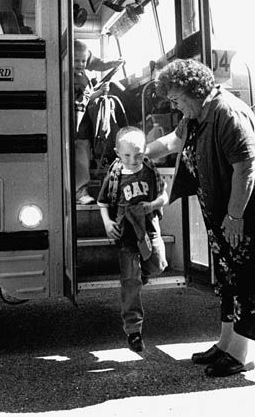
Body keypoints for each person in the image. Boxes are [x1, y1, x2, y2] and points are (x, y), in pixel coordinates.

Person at [145, 58, 255, 376]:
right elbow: (174, 141)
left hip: (249, 212)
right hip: (225, 211)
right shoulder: (198, 113)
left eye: (175, 98)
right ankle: (225, 344)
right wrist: (141, 152)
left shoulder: (228, 112)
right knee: (229, 280)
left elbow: (245, 167)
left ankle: (240, 355)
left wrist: (235, 216)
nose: (174, 105)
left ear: (193, 91)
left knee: (246, 281)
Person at [97, 126, 168, 352]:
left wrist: (152, 205)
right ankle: (134, 331)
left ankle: (140, 277)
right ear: (118, 152)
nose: (133, 160)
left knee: (158, 265)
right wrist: (108, 223)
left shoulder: (149, 170)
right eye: (127, 155)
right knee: (130, 281)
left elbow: (163, 196)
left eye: (138, 154)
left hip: (149, 229)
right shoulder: (115, 175)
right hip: (126, 232)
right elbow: (102, 202)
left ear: (145, 150)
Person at [74, 39, 124, 204]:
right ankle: (80, 192)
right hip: (75, 128)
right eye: (76, 61)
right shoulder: (70, 78)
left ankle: (80, 190)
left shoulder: (82, 75)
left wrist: (114, 63)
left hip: (83, 126)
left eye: (83, 61)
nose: (80, 64)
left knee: (82, 157)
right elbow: (82, 100)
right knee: (80, 158)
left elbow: (98, 63)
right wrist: (98, 93)